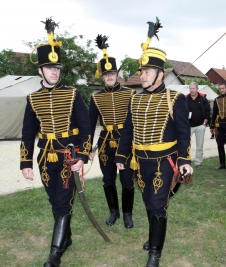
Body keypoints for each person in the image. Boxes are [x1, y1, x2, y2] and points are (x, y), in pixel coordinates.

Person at [114, 17, 193, 267]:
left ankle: (154, 256)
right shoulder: (134, 99)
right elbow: (127, 131)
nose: (143, 75)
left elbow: (183, 132)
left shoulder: (175, 98)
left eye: (147, 71)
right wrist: (120, 156)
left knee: (158, 205)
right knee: (149, 201)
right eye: (142, 71)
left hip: (164, 161)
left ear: (161, 73)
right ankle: (154, 237)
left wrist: (184, 160)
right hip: (140, 162)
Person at [20, 18, 92, 267]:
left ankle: (54, 255)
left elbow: (86, 128)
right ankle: (66, 238)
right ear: (40, 70)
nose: (54, 72)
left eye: (57, 68)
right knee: (54, 200)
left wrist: (82, 156)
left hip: (68, 156)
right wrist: (25, 162)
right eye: (49, 68)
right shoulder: (32, 98)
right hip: (44, 157)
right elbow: (27, 132)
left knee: (63, 203)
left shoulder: (72, 93)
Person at [89, 34, 136, 228]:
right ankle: (113, 212)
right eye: (106, 74)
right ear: (103, 75)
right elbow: (89, 125)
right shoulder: (95, 97)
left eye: (113, 73)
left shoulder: (130, 94)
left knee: (127, 181)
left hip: (126, 143)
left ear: (117, 75)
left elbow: (136, 122)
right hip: (105, 144)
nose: (109, 77)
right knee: (108, 180)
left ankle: (127, 214)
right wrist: (86, 150)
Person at [185, 82, 211, 167]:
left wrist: (205, 123)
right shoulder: (185, 99)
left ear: (197, 89)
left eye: (193, 88)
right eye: (190, 88)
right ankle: (186, 161)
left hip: (200, 125)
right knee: (185, 145)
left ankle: (198, 162)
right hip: (188, 126)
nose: (192, 90)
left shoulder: (203, 98)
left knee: (199, 146)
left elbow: (208, 111)